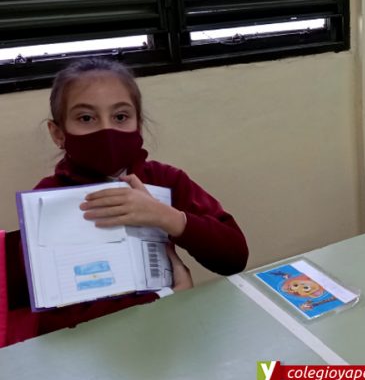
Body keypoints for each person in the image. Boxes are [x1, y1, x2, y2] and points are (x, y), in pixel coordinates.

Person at [4, 58, 248, 345]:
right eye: (86, 118)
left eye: (120, 117)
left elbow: (234, 257)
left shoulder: (165, 180)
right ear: (59, 133)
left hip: (169, 336)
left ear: (138, 125)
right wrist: (165, 298)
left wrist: (167, 217)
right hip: (90, 350)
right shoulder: (47, 200)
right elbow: (53, 318)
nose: (106, 131)